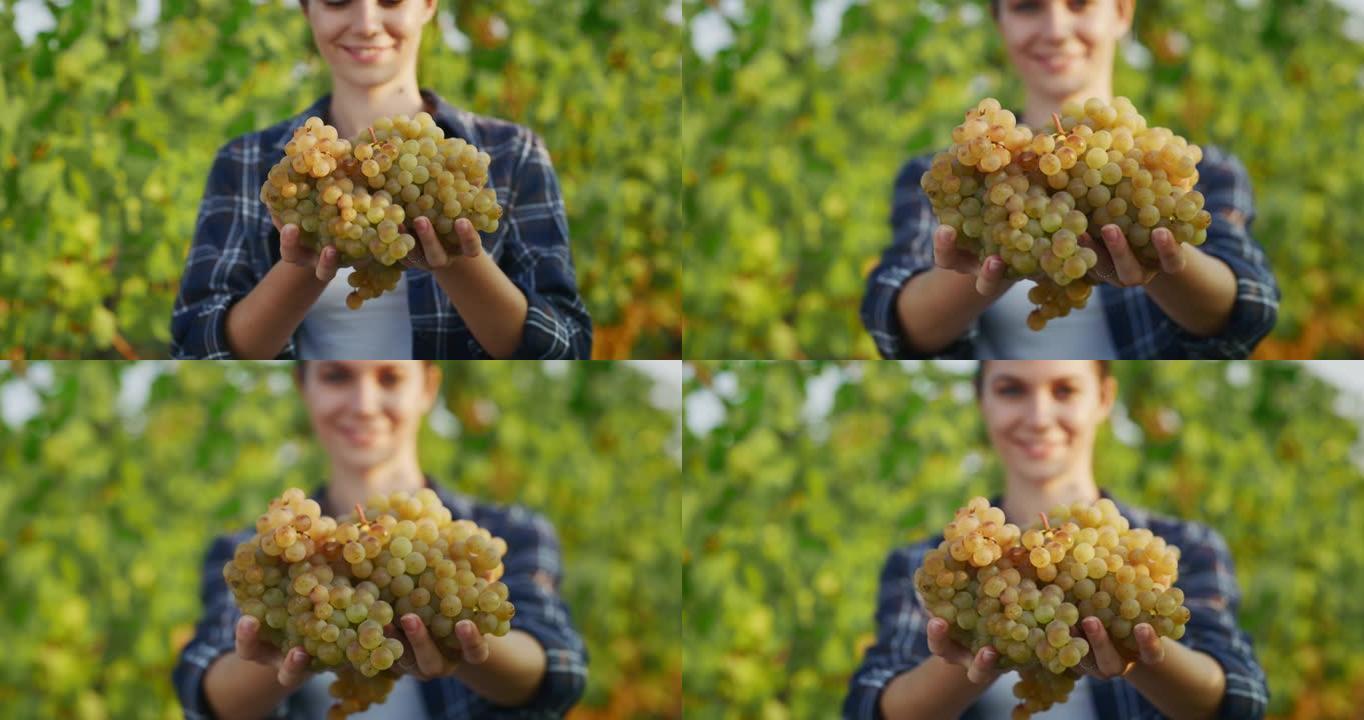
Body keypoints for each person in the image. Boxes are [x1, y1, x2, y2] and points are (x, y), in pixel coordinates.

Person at [844, 360, 1267, 719]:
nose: (1039, 416)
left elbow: (1240, 699)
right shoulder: (935, 568)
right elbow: (870, 706)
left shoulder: (1177, 550)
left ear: (1103, 397)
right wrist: (975, 654)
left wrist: (1142, 655)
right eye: (1011, 390)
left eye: (1064, 390)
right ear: (982, 401)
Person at [171, 0, 591, 360]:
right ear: (307, 9)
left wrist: (460, 264)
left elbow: (568, 347)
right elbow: (196, 350)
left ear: (428, 4)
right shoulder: (249, 164)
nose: (367, 23)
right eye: (338, 0)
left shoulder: (511, 155)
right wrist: (304, 263)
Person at [861, 0, 1278, 359]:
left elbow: (1250, 311)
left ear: (1121, 12)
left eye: (1079, 3)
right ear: (999, 21)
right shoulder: (954, 176)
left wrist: (1163, 262)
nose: (1056, 29)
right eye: (1027, 6)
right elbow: (892, 325)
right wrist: (986, 265)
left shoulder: (1189, 173)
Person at [173, 360, 588, 719]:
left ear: (428, 386)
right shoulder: (264, 553)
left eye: (390, 378)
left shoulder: (502, 536)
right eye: (337, 377)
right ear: (304, 386)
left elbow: (559, 671)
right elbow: (203, 690)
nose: (364, 404)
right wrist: (284, 654)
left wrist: (465, 649)